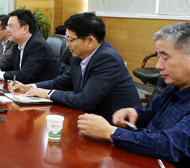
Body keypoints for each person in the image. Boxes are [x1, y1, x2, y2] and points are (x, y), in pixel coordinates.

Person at [77, 22, 190, 168]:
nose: (158, 66)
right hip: (148, 165)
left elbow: (170, 146)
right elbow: (153, 115)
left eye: (165, 58)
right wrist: (136, 114)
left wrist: (111, 132)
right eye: (158, 57)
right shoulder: (176, 85)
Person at [10, 12, 140, 121]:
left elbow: (86, 100)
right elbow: (61, 82)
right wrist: (30, 87)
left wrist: (47, 93)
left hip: (119, 126)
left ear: (90, 40)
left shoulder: (107, 59)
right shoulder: (79, 55)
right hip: (91, 119)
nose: (67, 44)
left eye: (71, 39)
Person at [0, 9, 59, 82]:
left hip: (40, 89)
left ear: (25, 29)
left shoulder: (37, 45)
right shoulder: (18, 43)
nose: (7, 30)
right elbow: (8, 63)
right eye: (7, 27)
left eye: (10, 26)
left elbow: (25, 76)